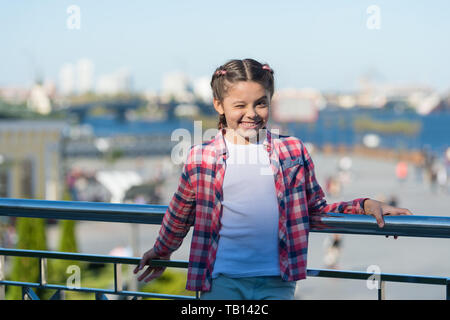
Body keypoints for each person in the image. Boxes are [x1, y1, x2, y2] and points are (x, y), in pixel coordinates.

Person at [134, 58, 413, 300]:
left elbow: (314, 210)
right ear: (219, 105)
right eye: (239, 105)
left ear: (271, 100)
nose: (252, 113)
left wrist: (364, 206)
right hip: (220, 279)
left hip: (279, 280)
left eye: (261, 103)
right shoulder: (201, 157)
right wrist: (162, 250)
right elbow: (181, 212)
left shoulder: (292, 150)